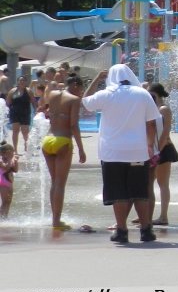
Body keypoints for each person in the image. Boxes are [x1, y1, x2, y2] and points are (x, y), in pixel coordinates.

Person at [81, 65, 160, 244]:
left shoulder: (107, 94)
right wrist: (149, 146)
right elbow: (151, 124)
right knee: (140, 191)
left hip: (112, 152)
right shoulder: (142, 94)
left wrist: (97, 80)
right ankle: (146, 230)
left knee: (118, 192)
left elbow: (85, 101)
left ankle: (122, 230)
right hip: (138, 151)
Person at [42, 73, 87, 229]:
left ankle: (54, 219)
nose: (80, 93)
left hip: (48, 140)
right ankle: (56, 222)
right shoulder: (74, 100)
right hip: (63, 141)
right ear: (75, 84)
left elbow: (44, 108)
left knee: (54, 183)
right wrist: (81, 149)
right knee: (60, 184)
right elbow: (74, 125)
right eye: (80, 89)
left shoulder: (53, 94)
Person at [147, 84, 178, 226]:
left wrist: (157, 151)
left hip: (163, 149)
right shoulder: (151, 108)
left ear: (154, 93)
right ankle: (147, 214)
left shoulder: (164, 109)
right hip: (152, 150)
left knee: (162, 183)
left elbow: (166, 132)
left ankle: (163, 216)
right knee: (148, 183)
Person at [6, 75, 32, 153]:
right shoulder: (12, 91)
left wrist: (36, 110)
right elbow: (8, 102)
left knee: (25, 131)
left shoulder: (28, 91)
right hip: (14, 113)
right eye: (20, 80)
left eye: (23, 80)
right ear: (17, 82)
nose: (22, 82)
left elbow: (33, 102)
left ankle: (26, 144)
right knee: (15, 131)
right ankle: (15, 149)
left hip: (25, 113)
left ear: (26, 82)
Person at [0, 141, 18, 218]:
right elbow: (6, 167)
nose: (12, 155)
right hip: (3, 183)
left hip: (10, 183)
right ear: (3, 153)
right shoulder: (1, 161)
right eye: (10, 153)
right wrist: (10, 158)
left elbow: (15, 170)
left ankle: (5, 216)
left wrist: (16, 162)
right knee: (4, 201)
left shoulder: (10, 160)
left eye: (12, 153)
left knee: (8, 201)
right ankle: (1, 217)